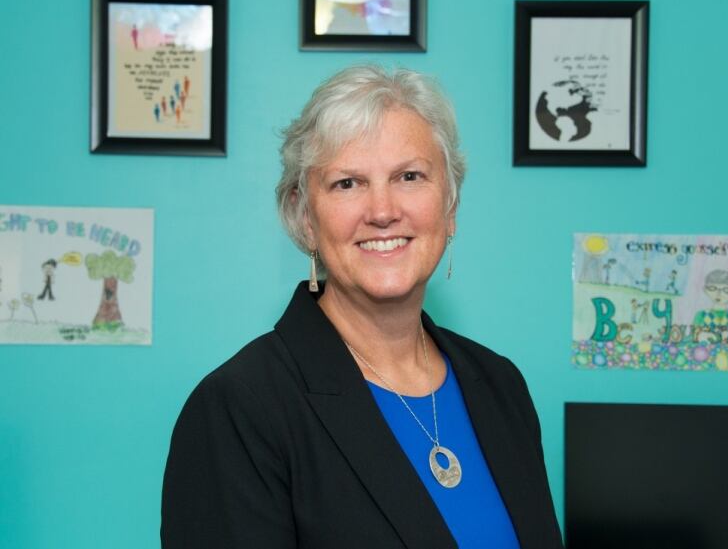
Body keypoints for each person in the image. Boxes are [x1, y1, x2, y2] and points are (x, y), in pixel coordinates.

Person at [161, 65, 563, 548]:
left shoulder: (501, 386)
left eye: (409, 176)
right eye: (347, 183)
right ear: (305, 217)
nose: (382, 210)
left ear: (450, 208)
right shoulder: (240, 409)